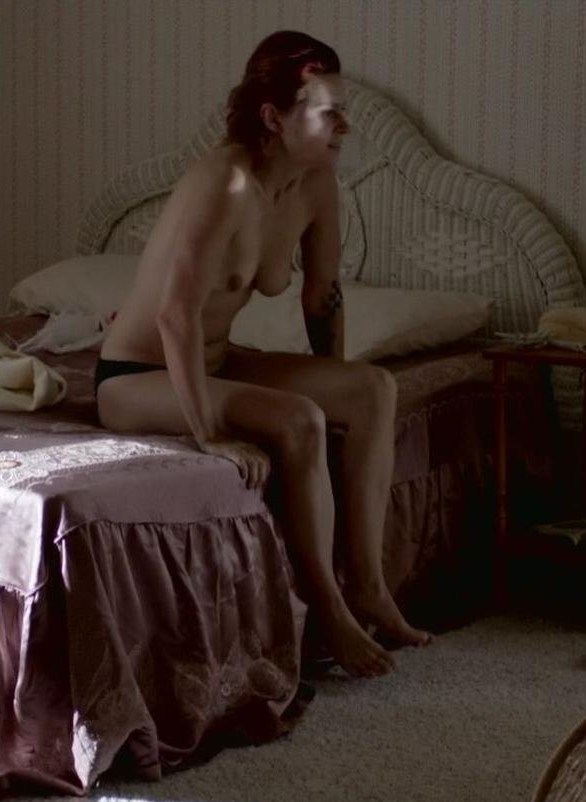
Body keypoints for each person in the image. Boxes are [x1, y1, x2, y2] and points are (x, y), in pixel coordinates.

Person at [95, 31, 432, 679]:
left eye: (344, 111)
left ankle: (368, 587)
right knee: (298, 419)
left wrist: (334, 382)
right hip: (138, 375)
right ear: (275, 118)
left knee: (373, 390)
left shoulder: (317, 183)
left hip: (216, 361)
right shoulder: (223, 181)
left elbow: (322, 297)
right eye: (328, 112)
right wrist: (210, 433)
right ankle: (328, 610)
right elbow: (175, 315)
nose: (344, 126)